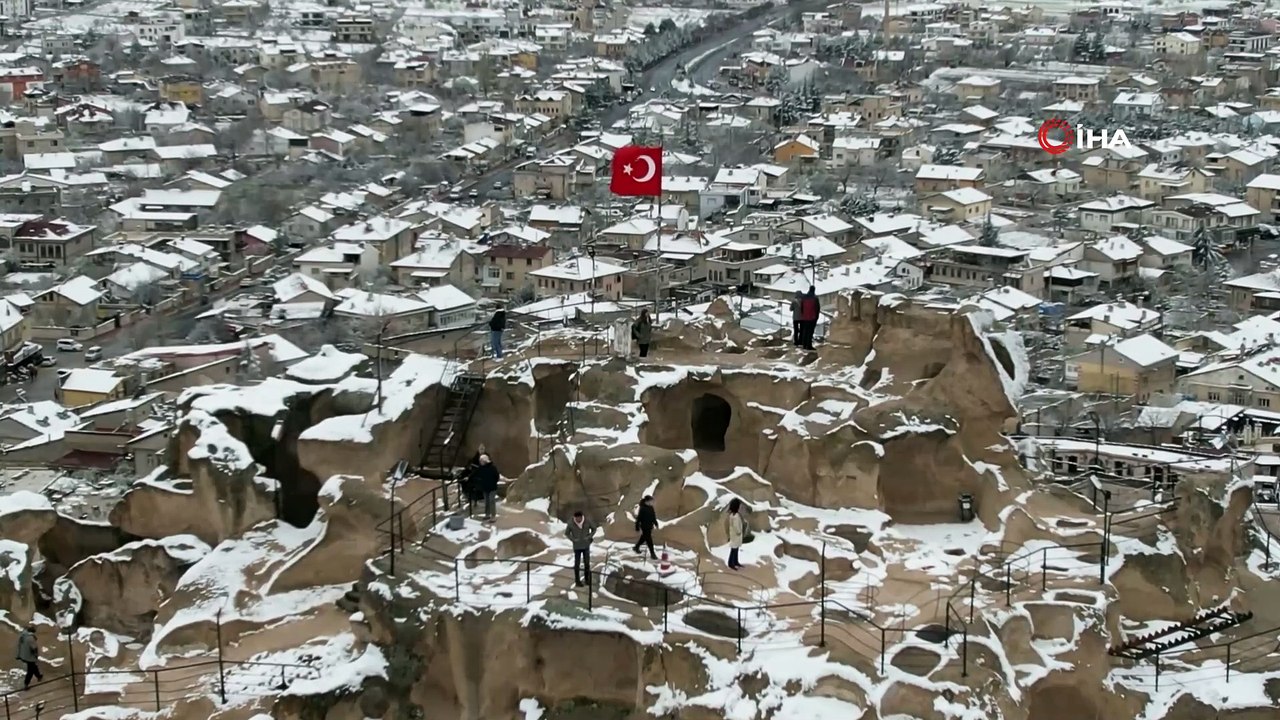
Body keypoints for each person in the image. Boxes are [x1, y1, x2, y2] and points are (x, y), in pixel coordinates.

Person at [565, 510, 597, 587]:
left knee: (587, 563)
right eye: (576, 518)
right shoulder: (571, 523)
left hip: (586, 545)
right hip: (577, 546)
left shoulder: (587, 521)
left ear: (581, 517)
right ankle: (577, 581)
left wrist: (589, 537)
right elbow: (567, 533)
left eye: (579, 518)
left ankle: (587, 579)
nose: (578, 520)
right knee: (577, 564)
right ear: (574, 517)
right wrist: (573, 539)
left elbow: (594, 529)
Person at [471, 454, 500, 521]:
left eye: (481, 461)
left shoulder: (492, 468)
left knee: (491, 501)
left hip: (492, 488)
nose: (480, 462)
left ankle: (493, 516)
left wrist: (493, 482)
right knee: (487, 502)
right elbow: (475, 474)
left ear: (485, 461)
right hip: (485, 487)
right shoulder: (481, 468)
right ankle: (487, 514)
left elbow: (497, 477)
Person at [16, 623, 41, 690]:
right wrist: (36, 655)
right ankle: (26, 684)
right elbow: (34, 648)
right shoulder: (30, 638)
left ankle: (39, 676)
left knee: (33, 666)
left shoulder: (23, 635)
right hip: (29, 656)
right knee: (30, 670)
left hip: (24, 655)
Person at [726, 498, 747, 570]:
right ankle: (731, 563)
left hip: (735, 535)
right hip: (736, 535)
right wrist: (739, 532)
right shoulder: (735, 517)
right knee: (734, 549)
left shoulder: (733, 515)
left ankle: (735, 561)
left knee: (736, 549)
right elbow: (736, 526)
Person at [797, 286, 820, 351]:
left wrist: (803, 315)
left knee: (804, 331)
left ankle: (804, 345)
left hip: (804, 317)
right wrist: (816, 317)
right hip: (812, 318)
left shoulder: (804, 298)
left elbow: (801, 307)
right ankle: (809, 345)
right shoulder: (815, 298)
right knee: (810, 332)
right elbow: (817, 308)